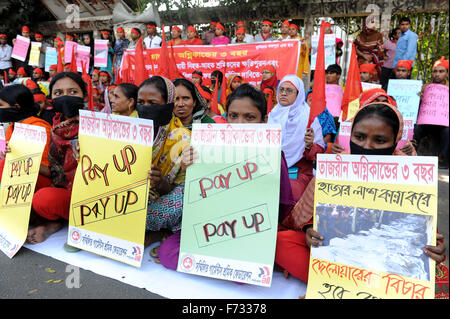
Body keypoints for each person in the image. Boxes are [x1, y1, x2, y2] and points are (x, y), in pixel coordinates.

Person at [276, 102, 447, 285]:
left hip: (389, 264)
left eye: (380, 140)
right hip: (340, 258)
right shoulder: (336, 167)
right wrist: (309, 230)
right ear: (350, 135)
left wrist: (434, 248)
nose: (367, 146)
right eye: (359, 137)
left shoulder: (412, 174)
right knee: (281, 242)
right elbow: (305, 220)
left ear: (395, 141)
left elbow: (424, 231)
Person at [157, 83, 296, 269]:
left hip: (251, 230)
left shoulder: (273, 156)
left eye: (249, 117)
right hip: (214, 228)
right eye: (233, 116)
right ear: (226, 117)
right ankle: (222, 265)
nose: (239, 124)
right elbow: (195, 199)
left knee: (247, 270)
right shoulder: (208, 149)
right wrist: (188, 169)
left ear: (264, 120)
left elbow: (283, 206)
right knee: (167, 253)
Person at [25, 72, 87, 244]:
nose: (66, 97)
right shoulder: (56, 127)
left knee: (43, 199)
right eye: (59, 93)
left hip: (90, 196)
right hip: (62, 186)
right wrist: (20, 158)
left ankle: (56, 222)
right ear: (51, 98)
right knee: (9, 167)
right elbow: (55, 171)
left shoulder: (99, 125)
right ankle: (55, 220)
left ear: (85, 95)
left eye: (73, 92)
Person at [136, 75, 191, 248]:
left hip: (161, 200)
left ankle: (153, 229)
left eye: (152, 103)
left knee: (182, 202)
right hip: (131, 197)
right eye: (141, 102)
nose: (145, 108)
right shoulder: (129, 128)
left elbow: (180, 189)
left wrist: (159, 183)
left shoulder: (182, 139)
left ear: (169, 104)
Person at [267, 75, 325, 201]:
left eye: (289, 91)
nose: (283, 93)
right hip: (271, 169)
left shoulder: (309, 118)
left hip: (298, 171)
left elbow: (319, 153)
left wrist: (310, 146)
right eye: (281, 90)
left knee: (290, 193)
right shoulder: (272, 115)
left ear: (298, 94)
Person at [0, 84, 52, 192]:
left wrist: (21, 157)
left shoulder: (39, 128)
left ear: (16, 107)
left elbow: (49, 171)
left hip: (42, 183)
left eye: (1, 105)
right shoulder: (11, 127)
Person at [414, 57, 449, 168]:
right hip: (426, 123)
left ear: (447, 74)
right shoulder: (425, 88)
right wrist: (418, 99)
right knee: (416, 129)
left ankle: (442, 159)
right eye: (435, 71)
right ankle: (410, 153)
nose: (437, 74)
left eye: (441, 71)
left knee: (448, 132)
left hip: (444, 125)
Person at [354, 14, 384, 81]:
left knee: (371, 79)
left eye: (374, 22)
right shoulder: (360, 35)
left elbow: (380, 50)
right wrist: (363, 55)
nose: (374, 25)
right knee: (358, 80)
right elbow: (354, 48)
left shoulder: (378, 35)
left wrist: (368, 59)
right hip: (360, 61)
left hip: (372, 60)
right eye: (371, 22)